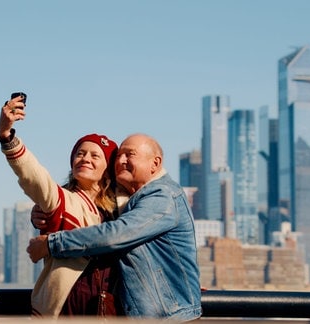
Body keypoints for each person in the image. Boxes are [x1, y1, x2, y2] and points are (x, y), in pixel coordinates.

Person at [27, 133, 202, 321]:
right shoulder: (130, 201)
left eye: (129, 155)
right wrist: (45, 212)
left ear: (155, 163)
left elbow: (116, 235)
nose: (121, 161)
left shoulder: (163, 196)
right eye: (118, 156)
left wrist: (51, 244)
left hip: (170, 317)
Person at [0, 93, 122, 317]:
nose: (85, 158)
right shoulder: (62, 200)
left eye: (95, 156)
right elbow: (34, 177)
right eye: (80, 154)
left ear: (107, 169)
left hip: (111, 307)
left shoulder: (123, 208)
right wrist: (7, 136)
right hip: (67, 306)